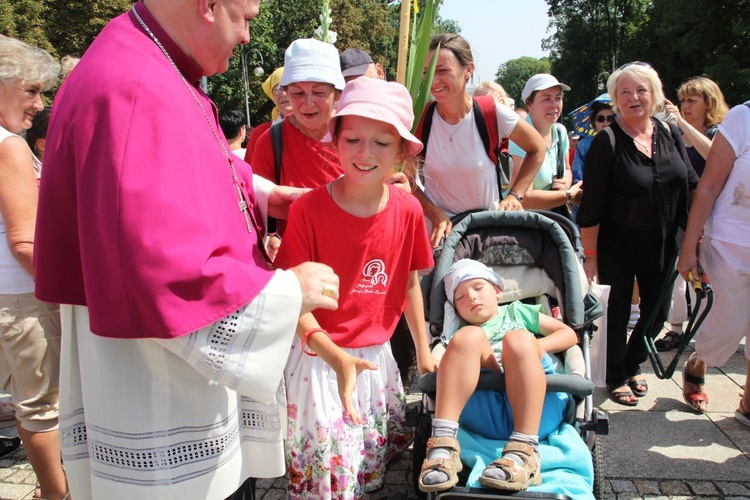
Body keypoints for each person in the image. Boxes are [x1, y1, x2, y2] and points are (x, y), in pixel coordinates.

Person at [34, 2, 340, 499]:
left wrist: (264, 192)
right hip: (156, 386)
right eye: (245, 18)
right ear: (208, 5)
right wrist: (288, 291)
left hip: (154, 364)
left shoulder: (146, 60)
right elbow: (159, 269)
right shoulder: (136, 86)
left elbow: (194, 163)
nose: (246, 37)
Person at [273, 77, 437, 499]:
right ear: (335, 141)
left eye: (382, 143)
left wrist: (422, 351)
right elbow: (291, 298)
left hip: (376, 360)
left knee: (362, 470)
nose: (365, 153)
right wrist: (334, 355)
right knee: (326, 478)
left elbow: (409, 284)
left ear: (402, 152)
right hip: (318, 358)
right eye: (353, 139)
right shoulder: (308, 209)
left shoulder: (408, 211)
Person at [577, 62, 698, 406]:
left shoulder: (669, 132)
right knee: (616, 315)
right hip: (617, 245)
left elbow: (689, 183)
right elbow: (592, 208)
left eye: (641, 90)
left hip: (664, 242)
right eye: (625, 92)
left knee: (657, 314)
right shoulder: (607, 142)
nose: (634, 97)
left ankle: (632, 362)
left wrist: (697, 236)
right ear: (615, 100)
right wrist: (591, 257)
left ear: (655, 95)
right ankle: (616, 375)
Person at [417, 259, 577, 493]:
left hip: (538, 407)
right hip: (485, 408)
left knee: (518, 339)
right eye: (460, 297)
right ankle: (443, 444)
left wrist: (535, 346)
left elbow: (569, 334)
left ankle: (525, 449)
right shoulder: (458, 335)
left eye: (478, 288)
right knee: (468, 338)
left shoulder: (518, 311)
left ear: (498, 291)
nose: (471, 297)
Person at [0, 36, 68, 500]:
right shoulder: (10, 147)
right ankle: (58, 494)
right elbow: (25, 243)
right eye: (31, 91)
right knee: (44, 407)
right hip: (26, 298)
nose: (38, 105)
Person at [412, 33, 546, 248]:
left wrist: (515, 196)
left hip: (485, 236)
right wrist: (434, 213)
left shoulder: (491, 112)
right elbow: (405, 176)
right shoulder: (420, 118)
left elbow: (537, 148)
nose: (434, 81)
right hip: (438, 240)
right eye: (427, 73)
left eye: (443, 71)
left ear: (468, 70)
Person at [677, 102, 750, 422]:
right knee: (722, 333)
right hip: (729, 243)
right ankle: (698, 361)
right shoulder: (742, 117)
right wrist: (689, 246)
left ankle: (748, 402)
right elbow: (707, 186)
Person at [251, 38, 345, 258]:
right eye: (297, 93)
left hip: (353, 256)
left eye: (319, 92)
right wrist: (270, 238)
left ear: (338, 93)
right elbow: (257, 207)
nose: (307, 103)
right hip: (296, 262)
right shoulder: (270, 141)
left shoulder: (358, 136)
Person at [658, 77, 729, 351]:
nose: (684, 105)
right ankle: (675, 329)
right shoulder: (674, 133)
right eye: (683, 100)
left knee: (707, 274)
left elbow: (714, 156)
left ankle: (705, 330)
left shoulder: (718, 134)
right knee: (676, 273)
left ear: (708, 103)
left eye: (691, 101)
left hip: (711, 216)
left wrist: (682, 124)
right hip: (678, 213)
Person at [509, 74, 582, 215]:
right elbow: (522, 198)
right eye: (546, 99)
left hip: (554, 220)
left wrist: (565, 183)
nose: (554, 105)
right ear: (529, 104)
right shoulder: (518, 138)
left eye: (558, 98)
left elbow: (567, 168)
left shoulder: (560, 132)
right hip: (525, 225)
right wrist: (568, 195)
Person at [243, 67, 292, 162]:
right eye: (276, 89)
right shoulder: (260, 133)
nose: (282, 93)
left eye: (287, 87)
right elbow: (250, 173)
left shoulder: (318, 129)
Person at [571, 100, 615, 184]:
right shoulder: (583, 145)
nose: (605, 121)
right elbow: (577, 172)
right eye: (600, 118)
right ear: (594, 121)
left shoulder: (622, 142)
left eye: (610, 118)